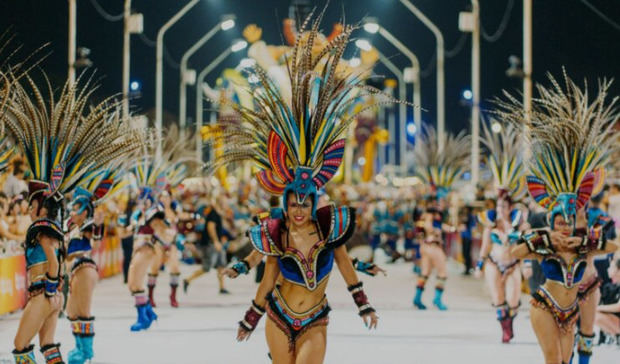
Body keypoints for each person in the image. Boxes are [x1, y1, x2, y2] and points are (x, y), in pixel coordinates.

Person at [205, 12, 405, 362]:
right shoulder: (277, 230)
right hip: (278, 314)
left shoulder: (329, 228)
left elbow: (342, 266)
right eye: (293, 204)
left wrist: (365, 306)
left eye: (303, 204)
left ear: (313, 203)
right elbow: (267, 277)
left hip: (315, 318)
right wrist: (249, 317)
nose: (298, 210)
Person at [4, 73, 145, 364]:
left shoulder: (42, 227)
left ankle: (84, 350)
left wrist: (52, 287)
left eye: (31, 203)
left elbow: (54, 263)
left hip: (45, 292)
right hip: (52, 295)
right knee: (49, 347)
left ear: (40, 205)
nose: (28, 208)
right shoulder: (54, 227)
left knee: (20, 347)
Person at [498, 72, 620, 364]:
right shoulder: (544, 237)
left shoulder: (591, 228)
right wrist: (537, 238)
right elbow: (511, 253)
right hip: (546, 302)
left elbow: (612, 246)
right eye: (560, 220)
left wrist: (587, 239)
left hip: (583, 291)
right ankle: (506, 320)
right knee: (553, 360)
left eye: (570, 217)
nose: (565, 223)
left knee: (578, 345)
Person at [475, 122, 529, 343]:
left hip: (513, 263)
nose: (500, 210)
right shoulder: (490, 223)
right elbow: (485, 246)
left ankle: (510, 320)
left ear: (509, 207)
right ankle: (504, 330)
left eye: (503, 206)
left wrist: (526, 265)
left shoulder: (519, 221)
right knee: (498, 299)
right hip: (494, 263)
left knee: (514, 300)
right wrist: (479, 265)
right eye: (498, 207)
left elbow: (526, 243)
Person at [412, 126, 471, 311]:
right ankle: (437, 300)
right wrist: (436, 230)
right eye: (443, 200)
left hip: (426, 245)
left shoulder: (433, 213)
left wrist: (453, 229)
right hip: (432, 245)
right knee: (443, 272)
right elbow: (429, 225)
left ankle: (417, 297)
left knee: (426, 272)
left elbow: (435, 225)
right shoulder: (431, 213)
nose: (445, 202)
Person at [183, 197, 228, 294]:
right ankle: (187, 280)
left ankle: (222, 287)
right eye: (224, 203)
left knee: (221, 265)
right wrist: (216, 241)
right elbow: (210, 228)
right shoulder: (213, 214)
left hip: (216, 243)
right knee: (206, 268)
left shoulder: (217, 214)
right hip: (210, 244)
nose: (226, 205)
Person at [595, 257, 620, 343]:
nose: (608, 269)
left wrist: (598, 308)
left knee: (595, 315)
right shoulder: (613, 285)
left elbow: (618, 307)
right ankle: (614, 337)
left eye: (611, 267)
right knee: (594, 315)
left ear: (618, 270)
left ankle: (616, 336)